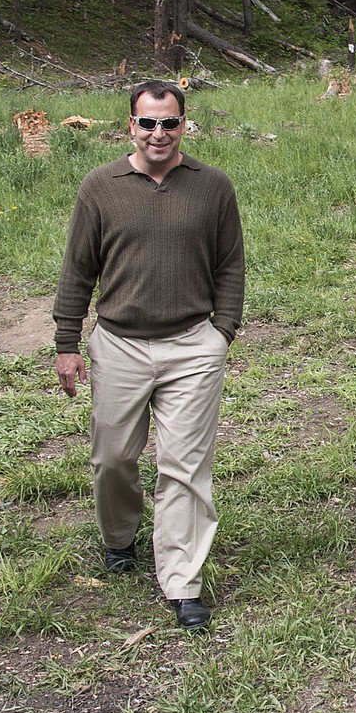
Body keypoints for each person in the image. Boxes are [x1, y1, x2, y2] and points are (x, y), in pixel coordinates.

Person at [53, 80, 245, 631]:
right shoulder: (100, 187)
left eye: (169, 123)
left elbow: (230, 265)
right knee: (113, 457)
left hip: (192, 346)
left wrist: (221, 332)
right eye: (147, 123)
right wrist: (68, 343)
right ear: (129, 126)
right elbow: (77, 271)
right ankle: (119, 537)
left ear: (185, 124)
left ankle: (182, 580)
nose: (158, 133)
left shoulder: (212, 187)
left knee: (184, 466)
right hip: (118, 344)